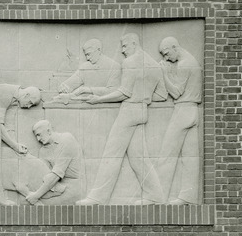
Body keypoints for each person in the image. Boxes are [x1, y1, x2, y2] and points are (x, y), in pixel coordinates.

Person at [76, 33, 167, 205]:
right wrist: (144, 98)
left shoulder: (130, 63)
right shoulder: (154, 65)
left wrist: (98, 99)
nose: (123, 51)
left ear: (134, 44)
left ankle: (97, 198)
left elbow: (124, 92)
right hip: (142, 112)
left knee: (112, 153)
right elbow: (162, 95)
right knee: (139, 157)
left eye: (125, 46)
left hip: (129, 112)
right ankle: (156, 197)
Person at [156, 36, 202, 204]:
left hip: (183, 110)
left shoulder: (184, 64)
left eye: (167, 53)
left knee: (167, 154)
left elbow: (175, 92)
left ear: (175, 47)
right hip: (192, 111)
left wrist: (164, 73)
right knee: (190, 158)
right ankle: (188, 197)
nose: (166, 58)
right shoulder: (191, 60)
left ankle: (157, 196)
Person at [25, 120, 85, 205]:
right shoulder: (43, 151)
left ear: (48, 131)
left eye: (39, 134)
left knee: (43, 205)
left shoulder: (67, 139)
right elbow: (42, 174)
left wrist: (36, 195)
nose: (38, 139)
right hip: (55, 188)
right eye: (36, 137)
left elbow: (56, 175)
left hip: (74, 187)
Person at [57, 39, 121, 97]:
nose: (87, 58)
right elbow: (71, 83)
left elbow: (113, 91)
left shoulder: (114, 66)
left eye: (89, 54)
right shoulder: (85, 66)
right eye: (86, 55)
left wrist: (87, 90)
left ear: (99, 50)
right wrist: (64, 87)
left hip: (107, 107)